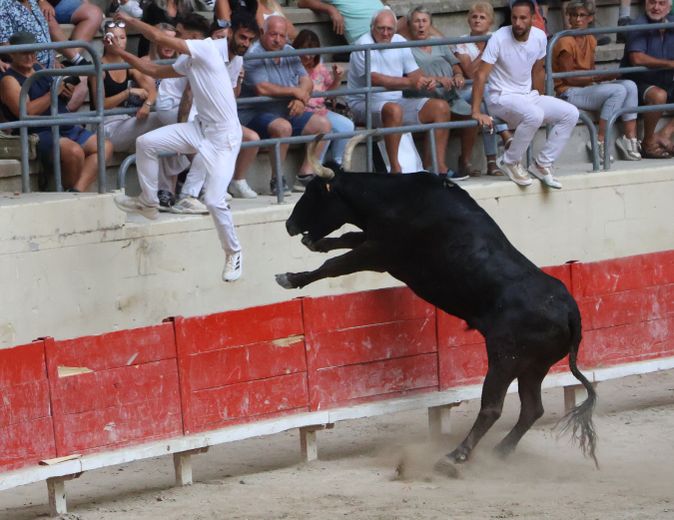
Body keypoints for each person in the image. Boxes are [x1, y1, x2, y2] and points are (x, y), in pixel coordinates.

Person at [107, 12, 245, 282]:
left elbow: (157, 36)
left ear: (192, 37)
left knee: (215, 201)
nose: (175, 38)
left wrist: (128, 20)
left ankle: (234, 252)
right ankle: (149, 202)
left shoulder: (206, 48)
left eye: (179, 33)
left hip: (224, 139)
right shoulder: (188, 57)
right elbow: (154, 71)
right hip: (199, 129)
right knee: (145, 142)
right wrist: (119, 53)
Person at [471, 0, 578, 189]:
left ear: (533, 18)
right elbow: (480, 75)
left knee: (571, 113)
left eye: (523, 18)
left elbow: (538, 70)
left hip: (527, 96)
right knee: (534, 114)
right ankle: (509, 161)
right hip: (500, 97)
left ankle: (542, 164)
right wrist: (476, 111)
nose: (518, 23)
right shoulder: (498, 37)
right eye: (514, 18)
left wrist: (541, 96)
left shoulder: (539, 36)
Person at [0, 31, 112, 191]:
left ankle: (76, 192)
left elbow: (55, 95)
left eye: (32, 52)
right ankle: (69, 195)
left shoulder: (38, 67)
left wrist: (66, 92)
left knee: (104, 146)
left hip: (62, 124)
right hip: (38, 132)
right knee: (74, 152)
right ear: (12, 54)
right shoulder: (8, 79)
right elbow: (25, 112)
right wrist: (54, 92)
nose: (30, 57)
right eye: (24, 53)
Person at [347, 8, 452, 175]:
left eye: (390, 29)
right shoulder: (362, 44)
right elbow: (375, 79)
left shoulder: (400, 40)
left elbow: (415, 74)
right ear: (372, 27)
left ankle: (436, 167)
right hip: (364, 104)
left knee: (441, 108)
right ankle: (396, 169)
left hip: (397, 101)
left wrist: (430, 80)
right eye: (381, 28)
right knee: (394, 110)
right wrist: (410, 82)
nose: (386, 33)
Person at [176, 12, 262, 206]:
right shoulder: (207, 52)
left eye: (250, 39)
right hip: (193, 112)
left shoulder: (238, 58)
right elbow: (188, 94)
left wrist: (239, 78)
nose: (246, 43)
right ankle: (196, 193)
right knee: (208, 147)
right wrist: (182, 123)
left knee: (226, 141)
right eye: (242, 37)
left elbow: (232, 95)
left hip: (216, 117)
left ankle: (199, 194)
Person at [239, 15, 331, 194]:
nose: (278, 40)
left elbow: (306, 80)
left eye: (282, 36)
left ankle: (305, 175)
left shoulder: (288, 50)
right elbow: (262, 88)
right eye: (273, 34)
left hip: (284, 109)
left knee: (323, 125)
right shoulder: (253, 54)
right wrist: (294, 92)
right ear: (262, 33)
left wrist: (300, 97)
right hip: (253, 113)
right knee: (283, 127)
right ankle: (277, 179)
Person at [552, 0, 641, 163]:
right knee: (618, 90)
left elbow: (590, 70)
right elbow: (568, 77)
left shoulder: (591, 39)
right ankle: (599, 141)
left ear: (590, 18)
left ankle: (629, 139)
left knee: (630, 85)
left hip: (586, 88)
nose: (578, 19)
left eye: (582, 15)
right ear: (568, 18)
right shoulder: (565, 41)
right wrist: (598, 77)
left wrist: (605, 76)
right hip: (568, 91)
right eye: (573, 15)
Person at [404, 6, 478, 179]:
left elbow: (455, 64)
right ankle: (437, 167)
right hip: (422, 97)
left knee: (473, 115)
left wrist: (458, 75)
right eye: (416, 21)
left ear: (430, 24)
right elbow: (411, 75)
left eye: (424, 21)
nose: (421, 25)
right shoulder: (405, 47)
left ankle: (465, 161)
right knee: (440, 110)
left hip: (449, 94)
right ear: (409, 25)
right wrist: (437, 79)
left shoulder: (438, 42)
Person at [452, 1, 512, 177]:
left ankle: (484, 162)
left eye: (482, 17)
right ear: (468, 20)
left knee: (487, 106)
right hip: (467, 92)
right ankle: (503, 139)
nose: (477, 20)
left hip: (491, 92)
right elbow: (470, 73)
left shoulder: (497, 37)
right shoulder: (461, 43)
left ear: (490, 22)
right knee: (485, 93)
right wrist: (488, 49)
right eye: (474, 17)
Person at [620, 0, 674, 158]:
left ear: (669, 7)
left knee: (662, 92)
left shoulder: (671, 23)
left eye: (661, 3)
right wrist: (669, 64)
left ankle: (664, 133)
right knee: (659, 95)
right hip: (637, 83)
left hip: (665, 80)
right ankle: (648, 141)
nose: (656, 7)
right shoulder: (638, 24)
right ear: (645, 4)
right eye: (652, 2)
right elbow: (637, 58)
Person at [292, 29, 354, 167]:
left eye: (312, 52)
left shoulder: (319, 67)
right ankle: (316, 166)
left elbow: (329, 94)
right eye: (304, 51)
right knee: (326, 129)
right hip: (303, 112)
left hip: (321, 110)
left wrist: (337, 79)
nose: (308, 56)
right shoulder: (291, 67)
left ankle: (337, 163)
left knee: (347, 126)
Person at [214, 0, 298, 41]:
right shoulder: (226, 2)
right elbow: (262, 33)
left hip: (280, 50)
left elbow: (293, 34)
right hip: (243, 50)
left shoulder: (271, 3)